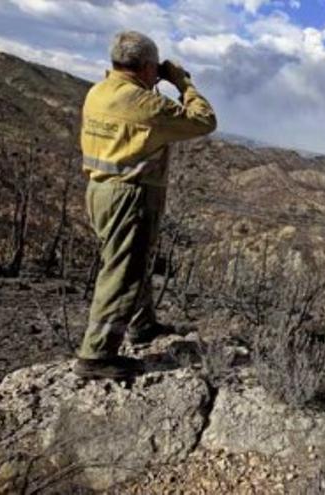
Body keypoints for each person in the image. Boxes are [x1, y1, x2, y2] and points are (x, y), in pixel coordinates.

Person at [74, 30, 217, 379]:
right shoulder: (144, 104)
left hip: (100, 190)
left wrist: (155, 77)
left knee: (132, 262)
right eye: (155, 68)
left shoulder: (99, 92)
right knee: (122, 273)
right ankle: (96, 355)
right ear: (147, 66)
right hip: (130, 195)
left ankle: (142, 326)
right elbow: (204, 120)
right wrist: (182, 83)